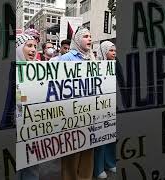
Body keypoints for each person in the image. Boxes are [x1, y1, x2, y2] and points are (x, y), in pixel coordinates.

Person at [58, 26, 95, 180]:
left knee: (88, 150)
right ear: (78, 39)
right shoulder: (67, 58)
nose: (90, 39)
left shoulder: (92, 57)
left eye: (90, 36)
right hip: (71, 112)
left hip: (91, 110)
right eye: (86, 36)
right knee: (71, 150)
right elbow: (58, 86)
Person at [1, 33, 39, 180]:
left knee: (32, 164)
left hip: (34, 125)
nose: (33, 49)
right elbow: (12, 98)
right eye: (29, 45)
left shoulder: (38, 70)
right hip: (16, 124)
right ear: (17, 48)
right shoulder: (12, 69)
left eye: (35, 46)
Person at [93, 40, 117, 179]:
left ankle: (110, 162)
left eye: (115, 51)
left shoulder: (116, 64)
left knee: (111, 137)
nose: (114, 53)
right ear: (104, 51)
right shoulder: (96, 66)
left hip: (113, 105)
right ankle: (98, 167)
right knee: (101, 138)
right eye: (111, 51)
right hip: (101, 107)